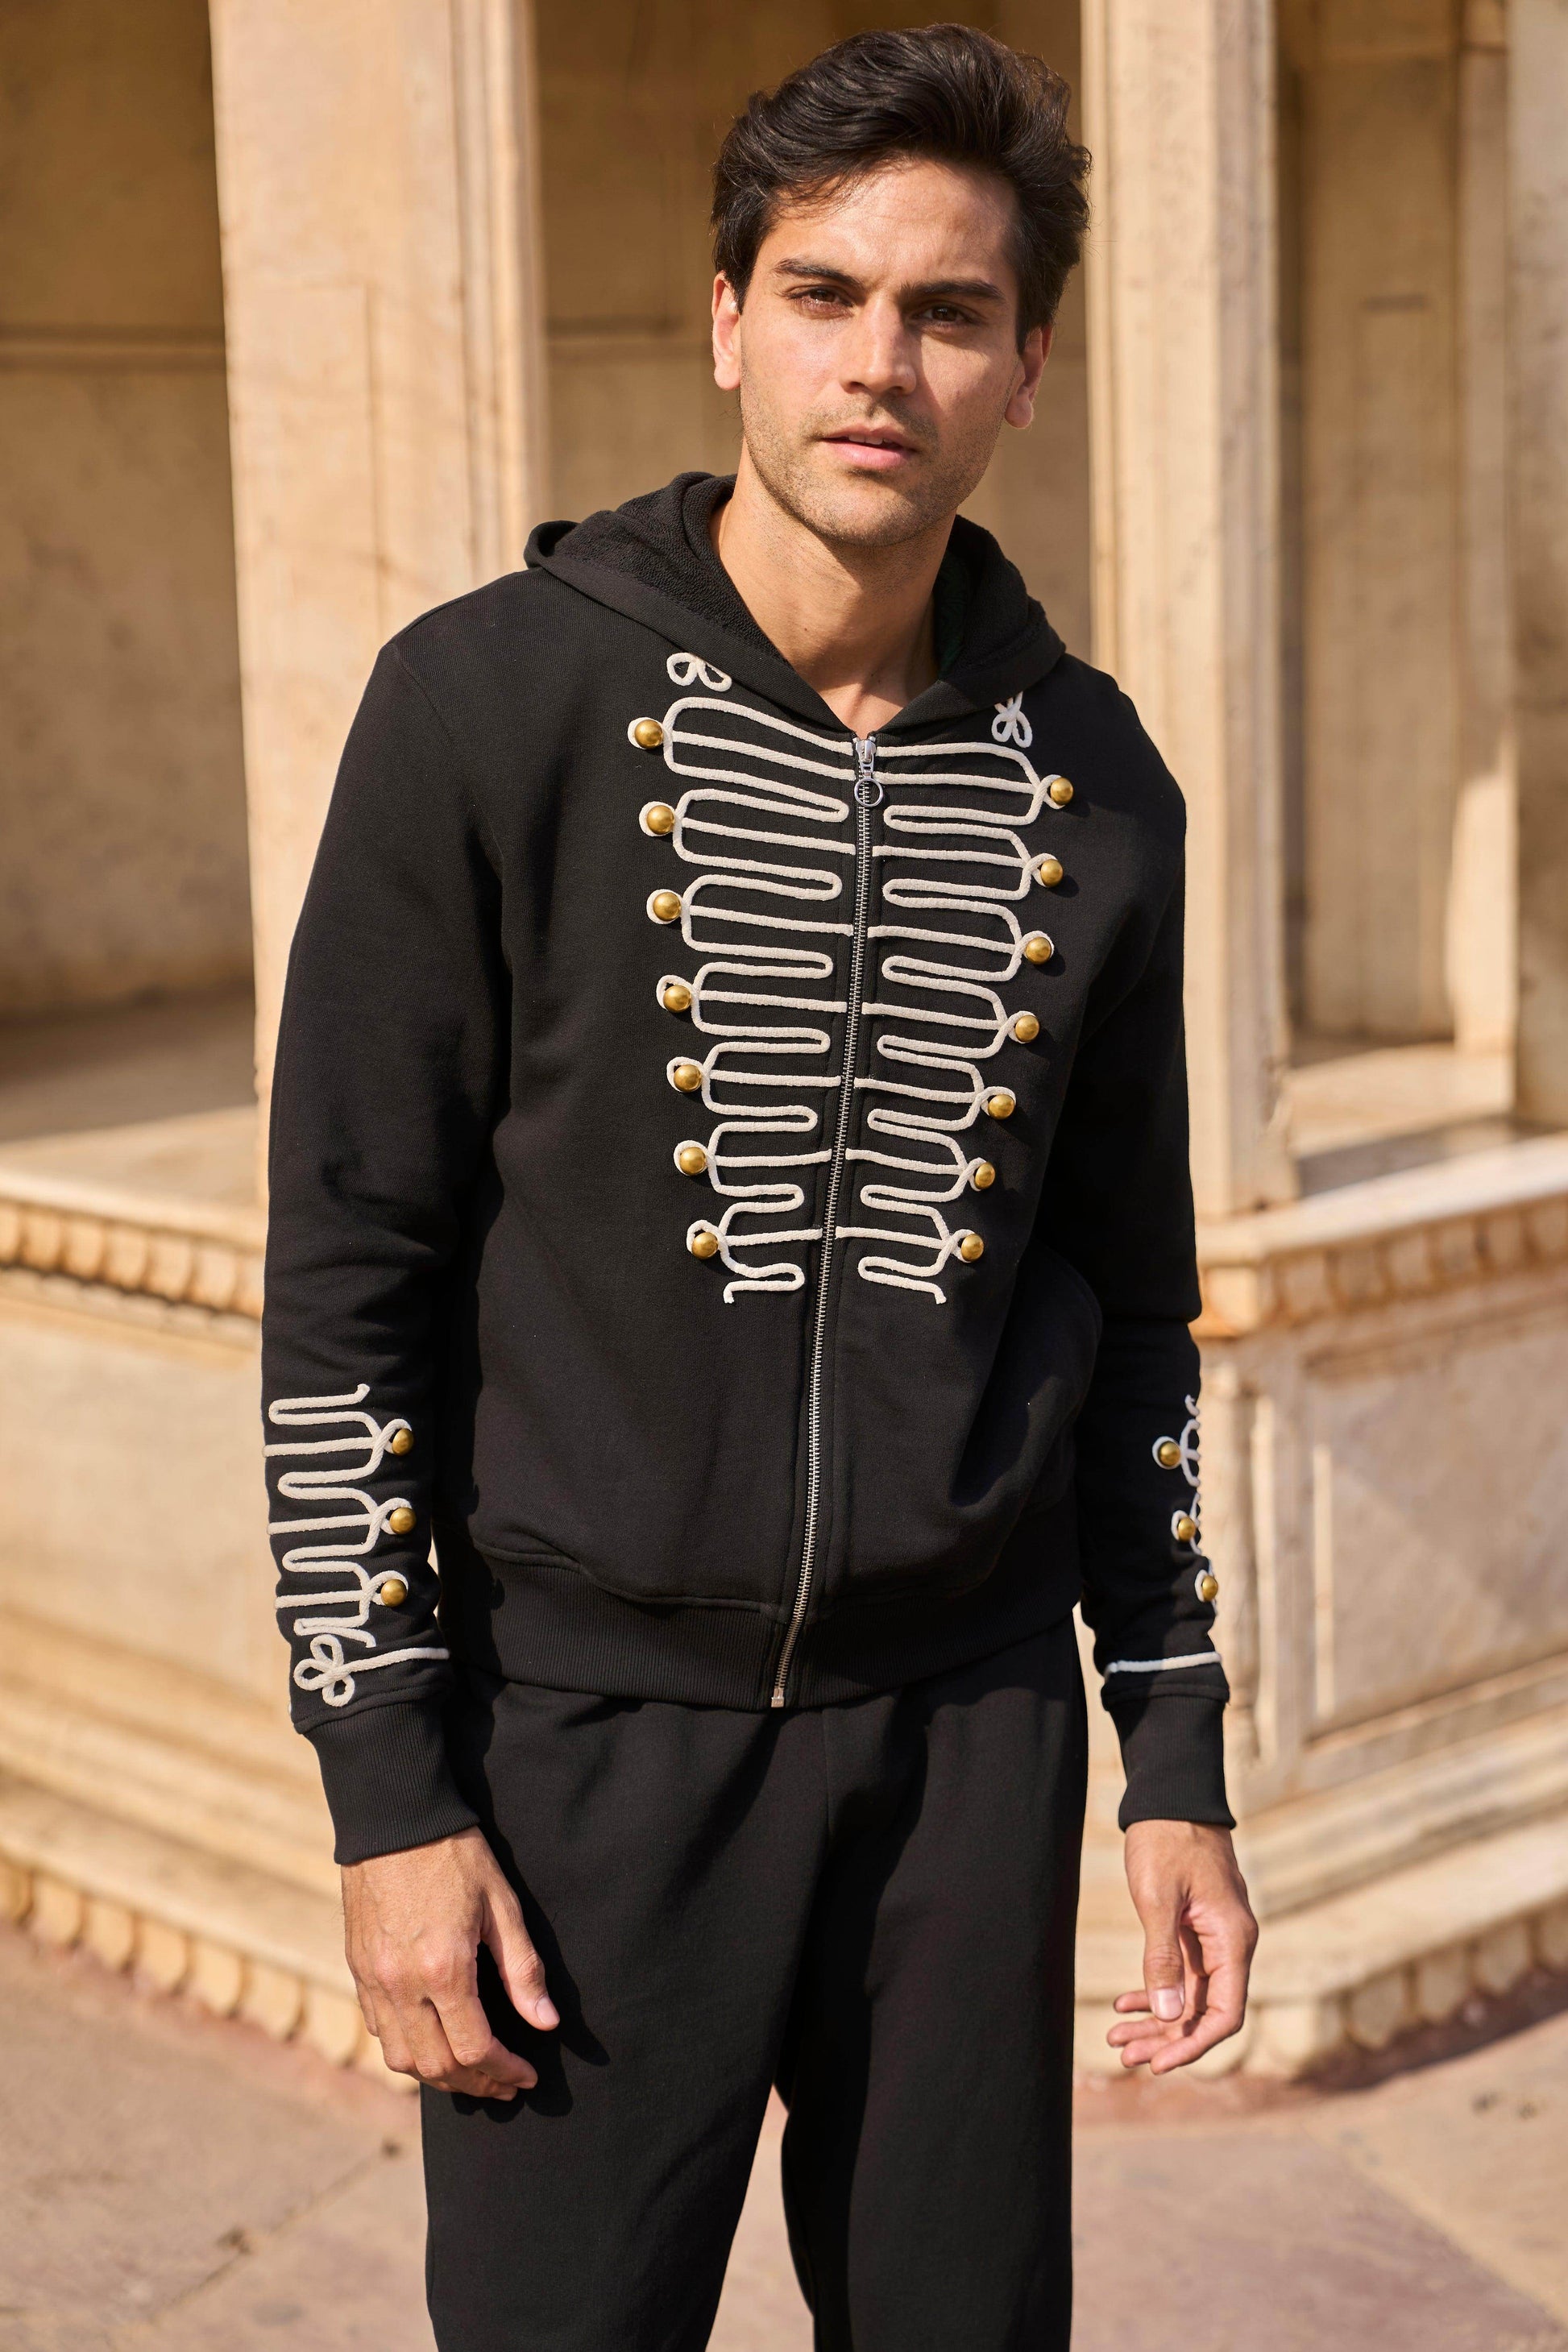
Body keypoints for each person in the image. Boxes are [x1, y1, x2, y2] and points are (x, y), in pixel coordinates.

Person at [262, 23, 1257, 2349]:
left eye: (949, 312)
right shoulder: (481, 706)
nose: (878, 363)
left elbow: (1131, 1305)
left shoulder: (1099, 781)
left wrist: (1173, 1759)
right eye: (823, 294)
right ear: (727, 320)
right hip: (581, 1758)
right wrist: (389, 1796)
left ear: (1026, 369)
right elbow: (346, 1286)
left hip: (969, 1751)